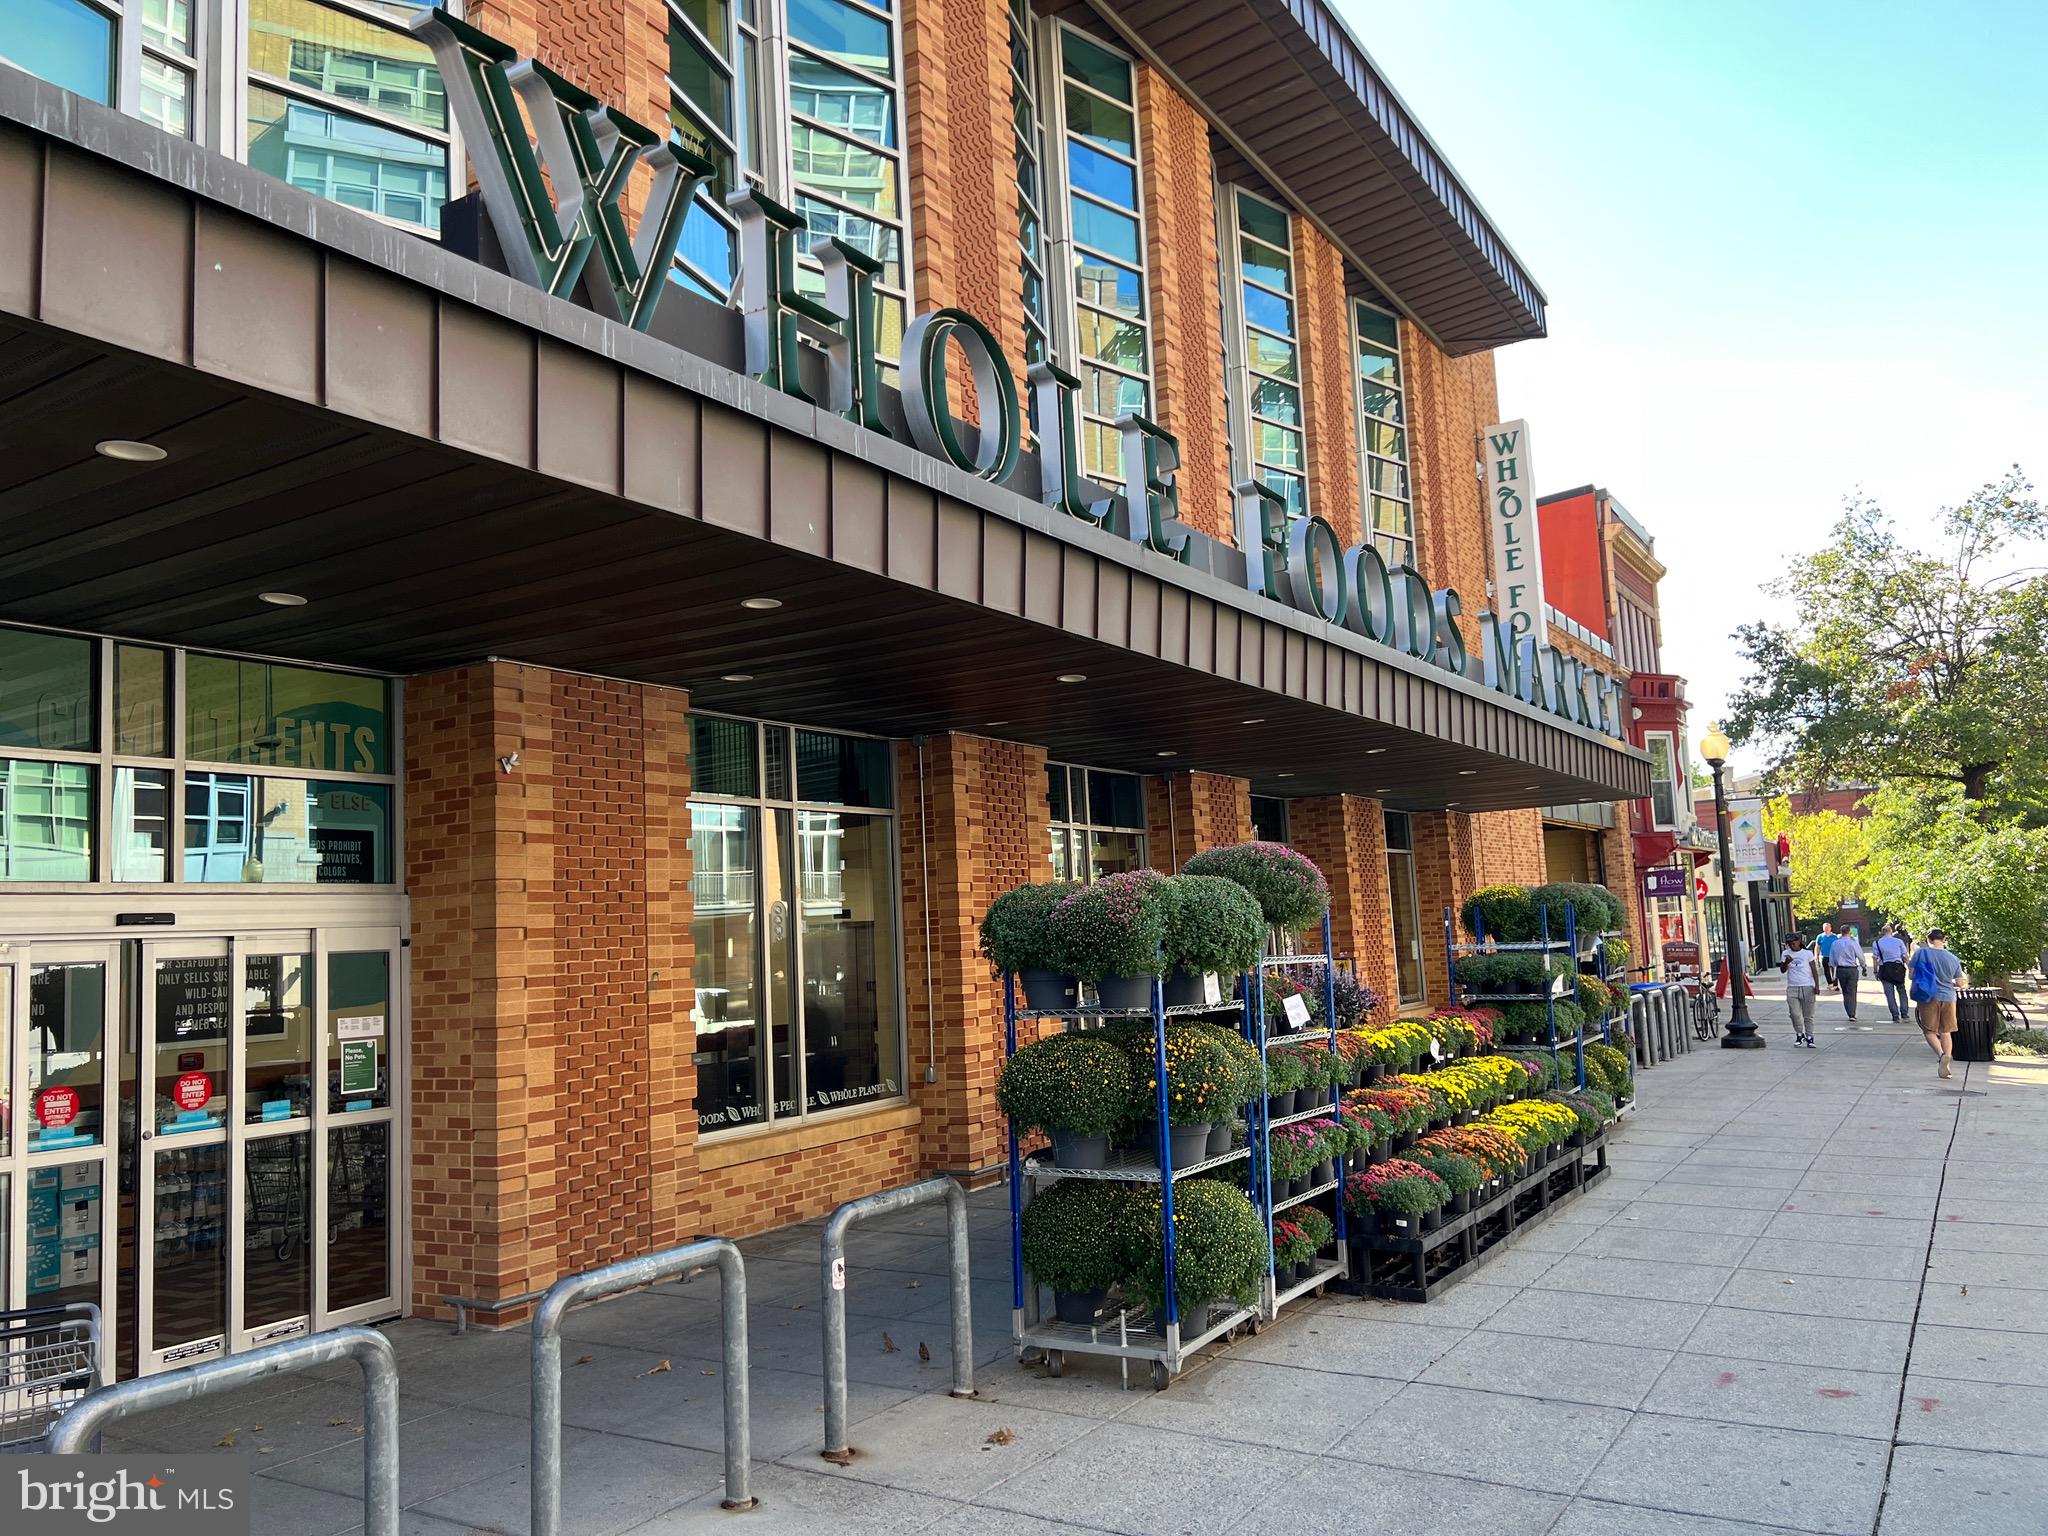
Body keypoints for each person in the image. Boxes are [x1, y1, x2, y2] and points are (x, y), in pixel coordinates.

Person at [1911, 929, 1967, 1079]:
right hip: (1948, 997)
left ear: (1928, 939)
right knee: (1945, 1031)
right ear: (1944, 940)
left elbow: (1911, 975)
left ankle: (1941, 1055)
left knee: (1929, 1031)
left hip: (1928, 996)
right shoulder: (1953, 958)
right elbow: (1960, 983)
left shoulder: (1920, 954)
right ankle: (1947, 1058)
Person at [1780, 932, 1821, 1047]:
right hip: (1792, 987)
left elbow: (1814, 970)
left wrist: (1817, 986)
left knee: (1808, 1015)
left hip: (1807, 986)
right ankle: (1799, 1033)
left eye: (1793, 943)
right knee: (1794, 1013)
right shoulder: (1785, 954)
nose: (1792, 945)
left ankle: (1810, 1036)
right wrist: (1787, 962)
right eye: (1789, 944)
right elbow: (1782, 970)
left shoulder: (1807, 954)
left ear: (1799, 942)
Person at [1873, 923, 1911, 1022]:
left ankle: (1895, 1015)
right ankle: (1904, 1013)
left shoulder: (1877, 943)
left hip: (1885, 968)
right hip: (1898, 968)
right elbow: (1905, 956)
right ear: (1891, 931)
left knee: (1889, 994)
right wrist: (1910, 968)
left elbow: (1875, 958)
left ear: (1882, 933)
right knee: (1902, 991)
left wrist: (1875, 971)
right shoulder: (1898, 942)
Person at [1830, 925, 1865, 1019]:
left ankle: (1849, 1011)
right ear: (1849, 932)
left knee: (1845, 992)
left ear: (1841, 932)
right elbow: (1860, 956)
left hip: (1840, 969)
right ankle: (1852, 1013)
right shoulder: (1853, 943)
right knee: (1852, 991)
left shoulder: (1835, 943)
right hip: (1852, 969)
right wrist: (1863, 966)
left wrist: (1833, 973)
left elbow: (1832, 960)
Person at [1815, 922, 1838, 986]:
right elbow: (1817, 946)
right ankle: (1830, 983)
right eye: (1825, 928)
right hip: (1824, 956)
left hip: (1833, 956)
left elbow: (1838, 946)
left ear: (1830, 928)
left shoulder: (1834, 936)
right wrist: (1816, 955)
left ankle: (1835, 984)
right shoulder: (1820, 937)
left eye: (1828, 927)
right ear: (1823, 929)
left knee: (1835, 971)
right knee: (1826, 971)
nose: (1826, 929)